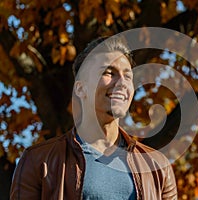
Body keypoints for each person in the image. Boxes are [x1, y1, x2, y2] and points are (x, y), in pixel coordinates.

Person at [10, 36, 177, 200]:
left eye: (127, 76)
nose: (121, 83)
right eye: (109, 72)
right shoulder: (38, 162)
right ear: (81, 89)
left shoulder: (157, 167)